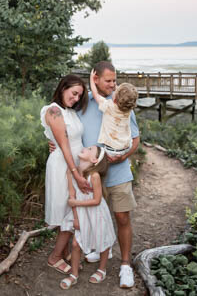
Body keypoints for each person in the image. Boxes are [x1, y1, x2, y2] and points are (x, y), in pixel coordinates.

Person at [79, 61, 139, 289]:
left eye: (115, 80)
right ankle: (97, 248)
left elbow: (135, 140)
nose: (113, 85)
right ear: (95, 79)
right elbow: (67, 128)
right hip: (94, 174)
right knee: (95, 216)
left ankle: (125, 266)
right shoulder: (82, 103)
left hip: (119, 172)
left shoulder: (120, 103)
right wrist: (53, 143)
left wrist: (123, 156)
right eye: (109, 81)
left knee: (122, 218)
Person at [40, 74, 90, 275]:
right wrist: (75, 173)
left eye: (80, 95)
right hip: (64, 166)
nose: (77, 98)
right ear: (63, 88)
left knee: (73, 210)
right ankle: (54, 257)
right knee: (68, 212)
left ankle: (65, 250)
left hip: (75, 164)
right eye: (74, 93)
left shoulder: (69, 111)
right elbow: (65, 146)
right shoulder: (54, 110)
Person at [59, 145, 116, 289]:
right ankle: (74, 274)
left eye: (90, 149)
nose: (85, 148)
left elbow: (97, 200)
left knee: (102, 239)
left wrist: (76, 202)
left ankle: (102, 269)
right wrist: (76, 218)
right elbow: (72, 195)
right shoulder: (72, 172)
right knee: (76, 244)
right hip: (81, 213)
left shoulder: (94, 176)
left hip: (97, 212)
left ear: (94, 159)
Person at [89, 68, 138, 157]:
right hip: (127, 147)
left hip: (112, 151)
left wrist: (92, 80)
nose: (113, 86)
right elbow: (124, 95)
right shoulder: (128, 109)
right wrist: (115, 84)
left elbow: (95, 94)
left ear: (115, 100)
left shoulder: (109, 106)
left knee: (95, 158)